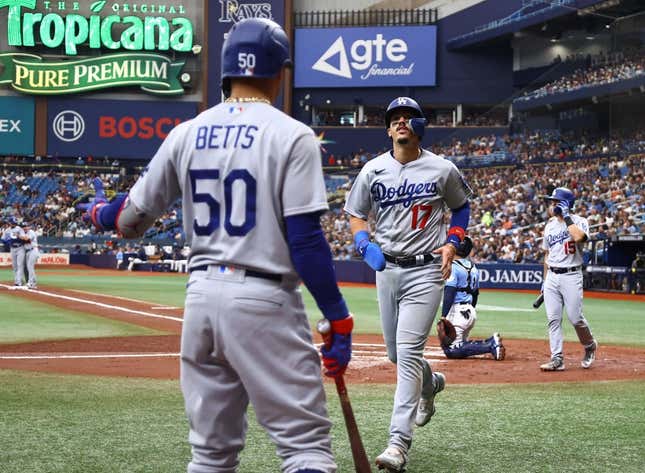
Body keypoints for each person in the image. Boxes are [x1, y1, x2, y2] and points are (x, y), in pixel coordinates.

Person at [79, 18, 352, 473]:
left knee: (210, 455)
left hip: (201, 302)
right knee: (305, 449)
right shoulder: (292, 134)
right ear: (277, 72)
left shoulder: (187, 132)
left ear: (226, 73)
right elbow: (304, 240)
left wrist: (99, 212)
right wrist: (338, 316)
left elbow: (128, 220)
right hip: (264, 300)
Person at [343, 96, 472, 472]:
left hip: (426, 271)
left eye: (408, 117)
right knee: (399, 356)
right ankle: (430, 386)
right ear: (387, 129)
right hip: (387, 271)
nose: (400, 122)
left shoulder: (442, 169)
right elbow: (355, 213)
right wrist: (363, 242)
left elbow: (461, 206)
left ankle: (398, 444)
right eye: (394, 119)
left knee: (409, 353)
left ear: (419, 126)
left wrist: (453, 242)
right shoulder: (373, 170)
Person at [540, 187, 597, 371]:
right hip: (552, 276)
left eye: (555, 201)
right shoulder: (549, 225)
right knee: (553, 319)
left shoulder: (579, 221)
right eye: (552, 202)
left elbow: (580, 237)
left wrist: (566, 217)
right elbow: (547, 255)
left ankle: (589, 345)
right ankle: (557, 358)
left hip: (571, 275)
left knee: (575, 318)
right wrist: (545, 280)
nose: (552, 204)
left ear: (565, 204)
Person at [438, 236, 505, 361]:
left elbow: (449, 292)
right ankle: (489, 343)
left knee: (451, 350)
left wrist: (443, 316)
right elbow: (475, 294)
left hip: (457, 312)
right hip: (469, 311)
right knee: (457, 345)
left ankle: (490, 344)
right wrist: (471, 311)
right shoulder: (473, 267)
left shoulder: (453, 267)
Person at [5, 217, 27, 287]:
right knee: (14, 266)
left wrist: (18, 237)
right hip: (12, 248)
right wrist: (9, 242)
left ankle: (19, 282)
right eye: (12, 223)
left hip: (20, 248)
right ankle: (16, 280)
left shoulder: (19, 229)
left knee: (20, 265)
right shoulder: (7, 230)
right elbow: (4, 239)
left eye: (14, 223)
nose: (13, 224)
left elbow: (24, 237)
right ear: (10, 223)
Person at [23, 222, 40, 289]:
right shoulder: (24, 233)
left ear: (29, 227)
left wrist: (18, 236)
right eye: (23, 226)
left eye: (26, 226)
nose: (25, 227)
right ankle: (33, 283)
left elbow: (27, 239)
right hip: (27, 252)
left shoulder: (31, 232)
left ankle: (31, 283)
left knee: (30, 267)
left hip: (33, 250)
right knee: (29, 267)